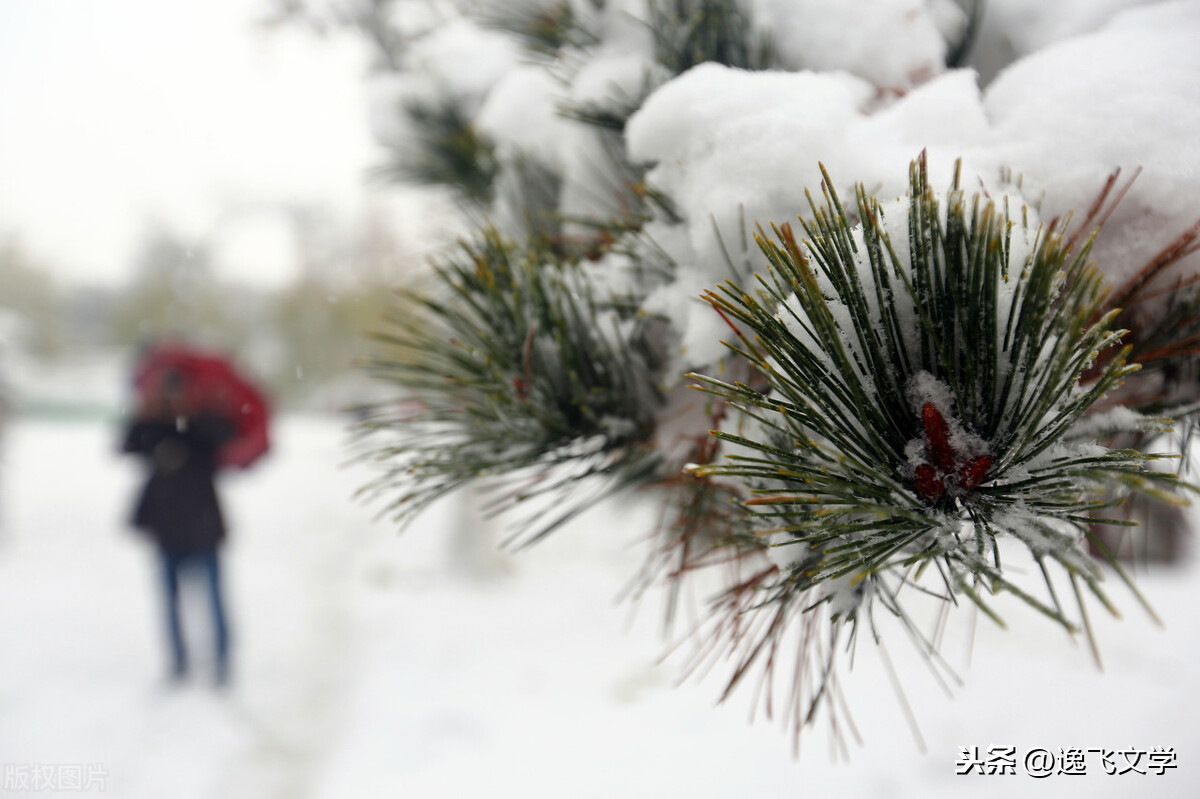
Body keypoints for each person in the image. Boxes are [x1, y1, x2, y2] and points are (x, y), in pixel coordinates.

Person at [122, 370, 234, 687]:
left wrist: (198, 413)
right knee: (170, 603)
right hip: (167, 529)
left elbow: (224, 438)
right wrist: (150, 416)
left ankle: (223, 662)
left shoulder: (204, 424)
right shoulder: (152, 427)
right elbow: (127, 445)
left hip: (204, 527)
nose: (174, 400)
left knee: (214, 600)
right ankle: (178, 663)